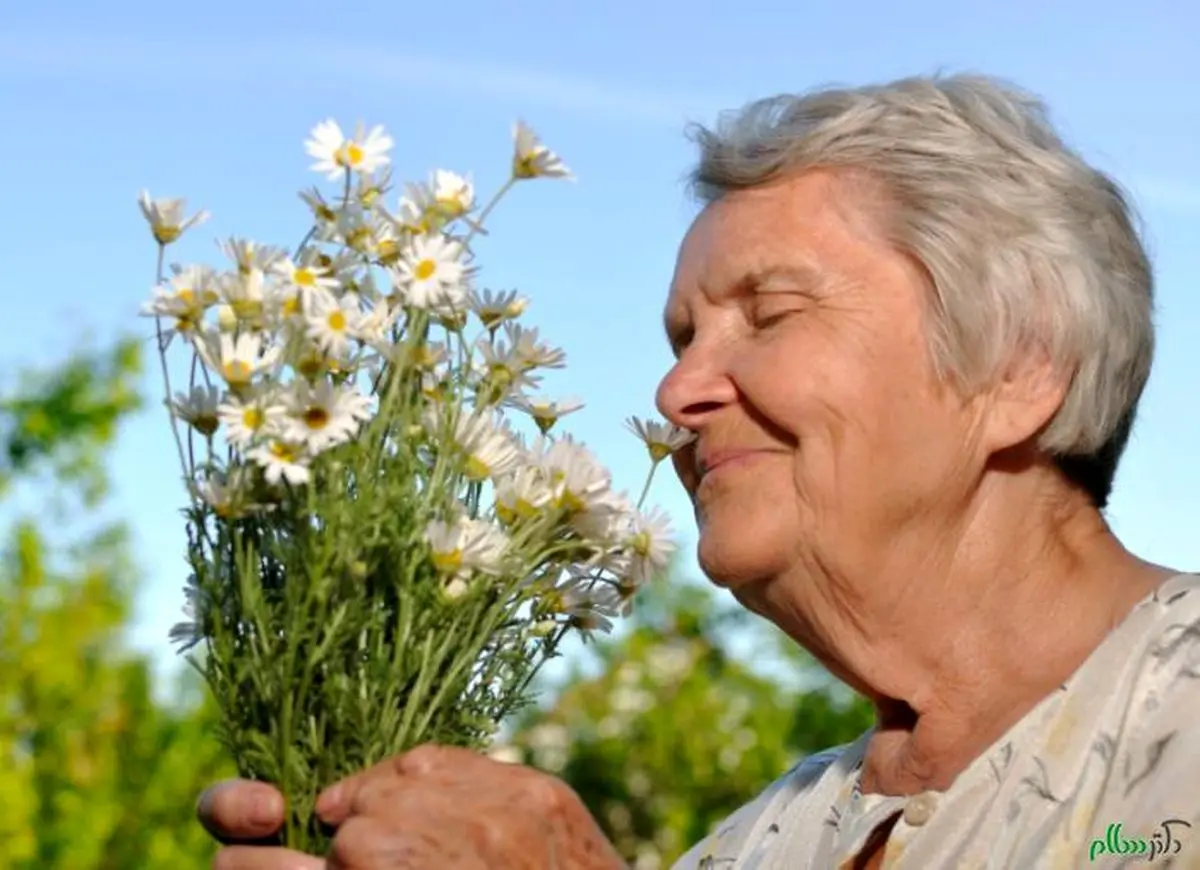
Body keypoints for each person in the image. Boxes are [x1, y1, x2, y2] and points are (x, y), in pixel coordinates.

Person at [197, 73, 1200, 869]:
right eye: (681, 336)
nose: (676, 392)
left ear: (1018, 368)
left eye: (770, 314)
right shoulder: (756, 845)